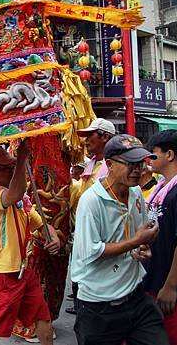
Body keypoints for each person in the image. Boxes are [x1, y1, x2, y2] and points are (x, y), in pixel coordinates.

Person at [71, 134, 168, 345]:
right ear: (110, 165)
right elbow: (91, 252)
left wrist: (143, 246)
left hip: (135, 296)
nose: (137, 170)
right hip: (100, 306)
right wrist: (134, 242)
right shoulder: (91, 201)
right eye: (130, 164)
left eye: (140, 163)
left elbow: (138, 235)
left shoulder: (135, 193)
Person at [0, 143, 61, 345]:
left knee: (43, 317)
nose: (11, 170)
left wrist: (53, 237)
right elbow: (15, 193)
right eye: (6, 168)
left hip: (23, 271)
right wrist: (23, 159)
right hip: (1, 273)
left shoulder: (21, 202)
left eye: (13, 166)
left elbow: (41, 224)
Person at [145, 129, 177, 345]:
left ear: (170, 155)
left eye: (153, 153)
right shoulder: (162, 188)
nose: (149, 159)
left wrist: (171, 285)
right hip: (155, 282)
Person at [65, 118, 116, 315]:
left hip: (102, 239)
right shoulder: (92, 165)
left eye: (90, 135)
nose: (86, 141)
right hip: (84, 235)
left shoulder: (113, 167)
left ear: (105, 137)